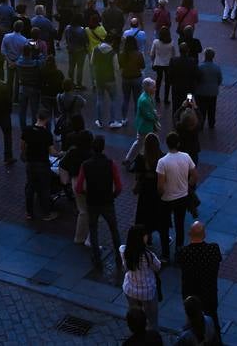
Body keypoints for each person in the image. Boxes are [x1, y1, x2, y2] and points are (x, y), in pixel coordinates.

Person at [76, 134, 124, 270]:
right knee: (114, 230)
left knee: (94, 230)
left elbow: (79, 187)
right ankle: (119, 257)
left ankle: (96, 257)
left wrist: (87, 193)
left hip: (92, 202)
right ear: (103, 148)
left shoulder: (85, 165)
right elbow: (119, 186)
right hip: (107, 201)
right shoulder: (111, 164)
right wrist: (113, 195)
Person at [177, 221, 222, 338]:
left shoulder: (184, 252)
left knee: (192, 321)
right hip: (209, 293)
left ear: (189, 234)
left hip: (191, 295)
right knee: (213, 319)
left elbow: (180, 265)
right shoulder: (213, 249)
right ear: (204, 234)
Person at [157, 131, 197, 261]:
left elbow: (160, 185)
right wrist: (187, 186)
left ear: (167, 145)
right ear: (178, 144)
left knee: (164, 227)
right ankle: (179, 252)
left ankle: (165, 255)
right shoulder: (186, 157)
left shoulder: (162, 162)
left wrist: (161, 194)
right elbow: (195, 175)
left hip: (167, 199)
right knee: (180, 225)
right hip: (182, 197)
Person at [120, 224, 164, 335]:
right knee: (152, 320)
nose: (147, 237)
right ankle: (152, 338)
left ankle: (137, 335)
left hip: (130, 289)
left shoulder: (124, 250)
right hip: (147, 292)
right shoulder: (149, 256)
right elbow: (158, 267)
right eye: (145, 235)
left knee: (135, 317)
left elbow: (125, 267)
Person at [21, 106, 57, 221]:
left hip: (30, 163)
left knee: (30, 188)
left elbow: (22, 145)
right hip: (42, 164)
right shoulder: (47, 134)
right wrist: (60, 153)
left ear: (37, 117)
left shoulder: (27, 130)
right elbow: (52, 151)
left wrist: (25, 155)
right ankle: (46, 213)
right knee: (44, 189)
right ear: (47, 119)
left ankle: (29, 213)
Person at [196, 48, 223, 130]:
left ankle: (201, 124)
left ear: (205, 56)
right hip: (213, 92)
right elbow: (220, 79)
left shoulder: (200, 67)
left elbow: (197, 79)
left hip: (201, 92)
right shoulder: (217, 67)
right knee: (212, 108)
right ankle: (211, 123)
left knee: (201, 108)